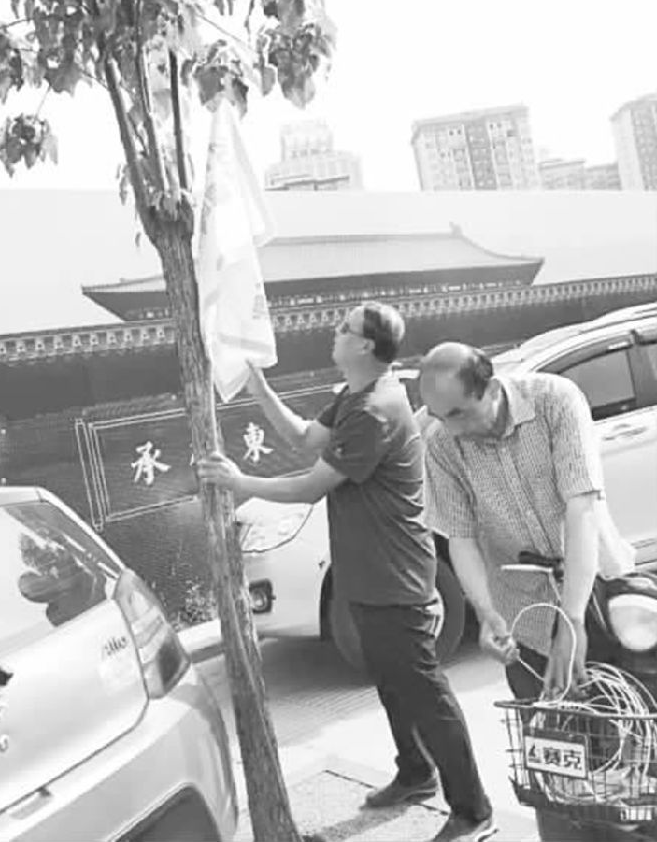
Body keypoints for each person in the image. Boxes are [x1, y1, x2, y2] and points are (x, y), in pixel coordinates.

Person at [198, 304, 495, 842]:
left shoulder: (376, 409)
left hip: (395, 576)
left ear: (365, 346)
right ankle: (415, 773)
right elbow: (304, 438)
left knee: (424, 691)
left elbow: (311, 485)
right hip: (366, 573)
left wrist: (239, 483)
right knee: (391, 683)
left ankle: (473, 809)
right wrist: (258, 385)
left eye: (343, 329)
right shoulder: (355, 397)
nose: (333, 334)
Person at [418, 342, 637, 842]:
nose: (451, 428)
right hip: (525, 619)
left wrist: (573, 620)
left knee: (628, 747)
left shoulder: (556, 401)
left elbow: (581, 509)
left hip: (599, 595)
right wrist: (488, 614)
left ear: (491, 388)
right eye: (438, 416)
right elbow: (461, 539)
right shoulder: (442, 444)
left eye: (459, 413)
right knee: (555, 765)